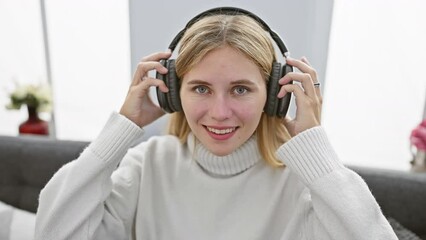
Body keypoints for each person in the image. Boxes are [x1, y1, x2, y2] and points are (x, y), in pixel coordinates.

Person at [34, 7, 397, 240]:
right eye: (201, 88)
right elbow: (51, 233)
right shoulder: (148, 165)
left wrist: (316, 148)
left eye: (240, 89)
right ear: (172, 92)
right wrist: (122, 128)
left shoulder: (304, 184)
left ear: (275, 94)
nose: (220, 112)